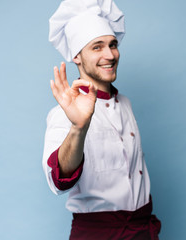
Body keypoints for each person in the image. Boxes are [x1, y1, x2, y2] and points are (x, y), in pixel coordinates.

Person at [42, 0, 161, 239]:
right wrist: (79, 127)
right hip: (98, 234)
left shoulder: (125, 103)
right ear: (77, 56)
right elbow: (59, 179)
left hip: (142, 231)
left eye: (113, 44)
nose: (110, 55)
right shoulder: (63, 114)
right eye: (97, 47)